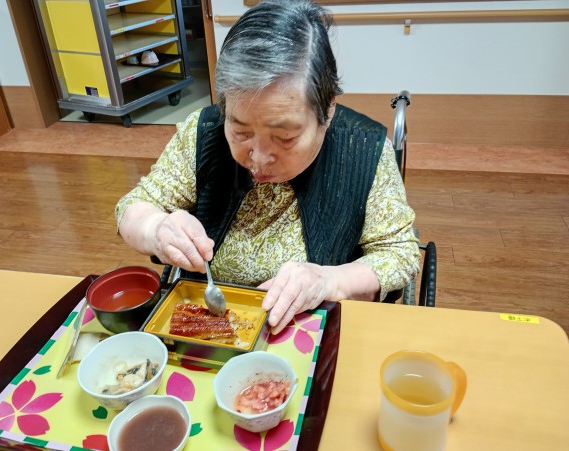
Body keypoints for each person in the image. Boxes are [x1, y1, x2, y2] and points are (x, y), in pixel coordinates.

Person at [115, 0, 420, 334]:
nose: (258, 158)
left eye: (285, 137)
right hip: (209, 329)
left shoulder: (363, 150)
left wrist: (327, 281)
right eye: (241, 132)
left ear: (328, 109)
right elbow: (133, 208)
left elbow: (398, 255)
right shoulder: (204, 133)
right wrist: (157, 229)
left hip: (314, 335)